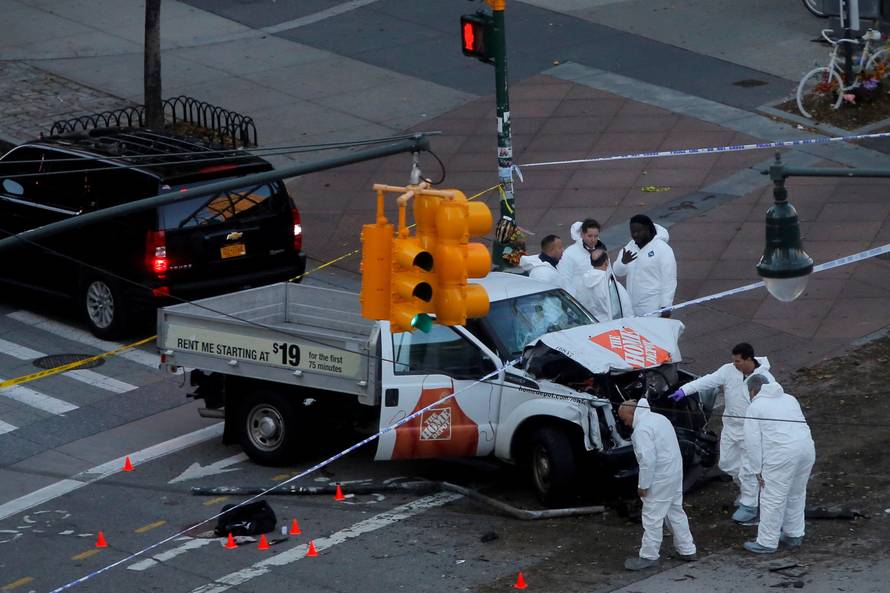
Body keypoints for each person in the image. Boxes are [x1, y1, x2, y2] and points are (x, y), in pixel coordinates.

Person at [668, 343, 774, 523]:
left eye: (738, 361)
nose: (734, 364)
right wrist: (684, 390)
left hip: (752, 430)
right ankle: (752, 493)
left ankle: (751, 504)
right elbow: (708, 380)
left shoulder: (765, 379)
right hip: (731, 427)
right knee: (727, 463)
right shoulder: (728, 370)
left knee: (749, 468)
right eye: (733, 360)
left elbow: (773, 407)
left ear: (749, 359)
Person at [618, 399, 697, 571]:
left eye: (625, 419)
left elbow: (647, 461)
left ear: (632, 413)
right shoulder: (659, 418)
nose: (626, 423)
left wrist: (643, 485)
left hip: (660, 476)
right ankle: (687, 549)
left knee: (652, 516)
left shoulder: (641, 430)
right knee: (675, 511)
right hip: (675, 471)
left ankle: (649, 556)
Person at [742, 375, 815, 554]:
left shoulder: (756, 407)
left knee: (772, 498)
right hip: (806, 449)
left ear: (753, 391)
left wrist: (757, 470)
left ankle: (767, 542)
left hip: (780, 455)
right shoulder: (790, 399)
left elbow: (752, 442)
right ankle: (794, 534)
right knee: (796, 493)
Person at [611, 215, 676, 317]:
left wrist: (666, 306)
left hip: (653, 307)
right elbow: (617, 272)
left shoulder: (662, 249)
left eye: (638, 231)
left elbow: (669, 280)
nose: (635, 235)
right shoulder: (630, 247)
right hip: (632, 307)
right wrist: (623, 262)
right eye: (633, 232)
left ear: (648, 229)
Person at [575, 248, 633, 321]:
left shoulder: (581, 283)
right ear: (606, 262)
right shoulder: (611, 283)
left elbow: (579, 305)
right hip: (611, 326)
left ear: (591, 263)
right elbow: (625, 307)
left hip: (592, 326)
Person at [557, 218, 606, 296]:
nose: (593, 240)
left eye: (596, 236)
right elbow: (565, 281)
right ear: (582, 234)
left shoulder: (601, 251)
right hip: (581, 303)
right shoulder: (569, 254)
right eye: (589, 236)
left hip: (600, 301)